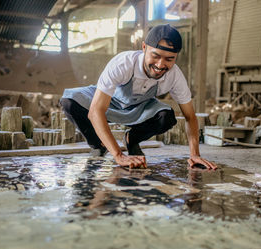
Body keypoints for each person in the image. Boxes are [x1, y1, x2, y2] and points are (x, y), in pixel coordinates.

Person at [60, 24, 217, 170]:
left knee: (166, 116)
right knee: (69, 102)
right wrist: (118, 155)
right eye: (156, 56)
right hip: (110, 102)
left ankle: (132, 139)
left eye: (169, 59)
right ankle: (98, 144)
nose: (160, 65)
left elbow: (190, 116)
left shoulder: (175, 76)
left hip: (140, 108)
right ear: (144, 48)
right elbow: (96, 111)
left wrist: (195, 154)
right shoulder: (123, 63)